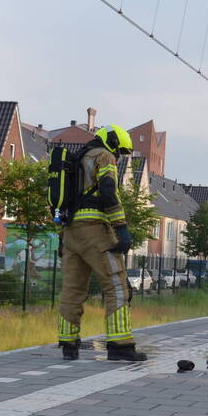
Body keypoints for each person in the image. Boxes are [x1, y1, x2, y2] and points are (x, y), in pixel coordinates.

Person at [57, 124, 146, 362]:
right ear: (113, 143)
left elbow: (63, 201)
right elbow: (108, 190)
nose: (119, 157)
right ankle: (120, 346)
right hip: (95, 230)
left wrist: (61, 237)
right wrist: (122, 228)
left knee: (72, 290)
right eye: (121, 152)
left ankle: (68, 344)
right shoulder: (104, 156)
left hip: (70, 233)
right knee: (117, 286)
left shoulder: (76, 160)